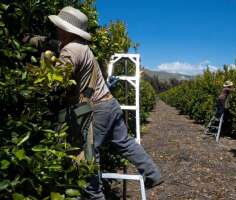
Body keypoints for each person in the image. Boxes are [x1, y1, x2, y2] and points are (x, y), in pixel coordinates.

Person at [28, 6, 162, 200]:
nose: (56, 30)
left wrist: (43, 65)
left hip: (96, 109)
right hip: (110, 104)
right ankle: (153, 173)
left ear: (66, 29)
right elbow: (53, 44)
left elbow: (55, 82)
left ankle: (95, 196)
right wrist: (32, 39)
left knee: (87, 155)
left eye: (59, 27)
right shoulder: (81, 46)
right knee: (124, 142)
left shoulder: (70, 51)